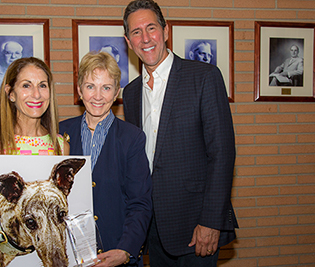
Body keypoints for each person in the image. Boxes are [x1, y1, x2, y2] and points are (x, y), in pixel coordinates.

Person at [122, 0, 238, 266]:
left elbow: (222, 153)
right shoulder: (130, 93)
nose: (145, 38)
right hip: (152, 229)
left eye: (151, 28)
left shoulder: (203, 77)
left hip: (195, 228)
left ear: (166, 31)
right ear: (129, 42)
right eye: (136, 32)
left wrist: (211, 221)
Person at [59, 51, 152, 267]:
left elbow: (140, 203)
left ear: (116, 92)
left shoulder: (132, 138)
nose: (98, 96)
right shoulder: (59, 133)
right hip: (68, 255)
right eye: (90, 86)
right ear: (79, 89)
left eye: (106, 88)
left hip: (116, 254)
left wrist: (126, 250)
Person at [0, 57, 69, 156]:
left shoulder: (61, 146)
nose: (36, 94)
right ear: (11, 93)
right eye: (26, 86)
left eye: (42, 85)